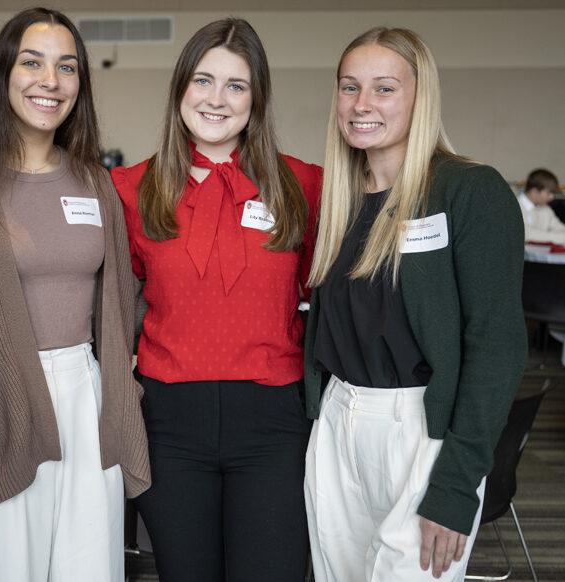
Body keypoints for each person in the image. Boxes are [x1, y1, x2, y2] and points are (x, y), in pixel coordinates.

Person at [303, 27, 527, 582]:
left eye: (384, 89)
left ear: (420, 96)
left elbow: (496, 344)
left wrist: (455, 485)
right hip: (337, 425)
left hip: (424, 431)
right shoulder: (338, 202)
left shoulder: (470, 190)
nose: (361, 105)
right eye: (349, 87)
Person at [0, 8, 149, 581]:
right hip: (1, 399)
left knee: (89, 565)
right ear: (4, 72)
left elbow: (123, 291)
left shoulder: (94, 182)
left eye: (67, 67)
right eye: (32, 63)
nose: (49, 81)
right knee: (1, 565)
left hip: (87, 395)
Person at [112, 19, 322, 582]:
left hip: (275, 423)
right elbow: (117, 303)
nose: (216, 99)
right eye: (203, 80)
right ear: (180, 88)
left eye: (236, 85)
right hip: (169, 424)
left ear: (257, 98)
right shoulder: (132, 189)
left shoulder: (305, 186)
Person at [519, 168, 565, 244]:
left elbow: (560, 228)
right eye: (548, 193)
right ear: (534, 191)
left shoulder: (546, 209)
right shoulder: (513, 207)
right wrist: (561, 237)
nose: (552, 197)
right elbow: (526, 235)